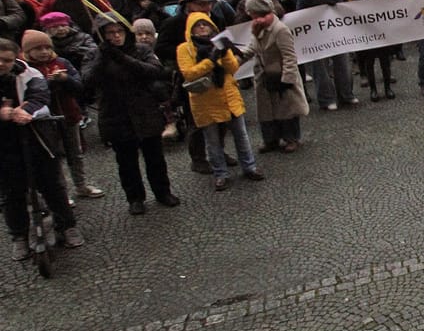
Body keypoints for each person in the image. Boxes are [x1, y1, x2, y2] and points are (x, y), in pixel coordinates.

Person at [84, 13, 179, 214]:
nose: (116, 36)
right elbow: (88, 81)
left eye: (119, 31)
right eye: (110, 33)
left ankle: (163, 192)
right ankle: (135, 198)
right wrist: (103, 58)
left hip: (145, 111)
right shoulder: (95, 54)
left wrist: (122, 58)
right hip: (116, 114)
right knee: (126, 162)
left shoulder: (141, 50)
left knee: (155, 158)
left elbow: (155, 71)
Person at [1, 37, 83, 259]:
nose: (3, 64)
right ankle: (19, 236)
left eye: (7, 60)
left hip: (37, 139)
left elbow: (40, 95)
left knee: (52, 186)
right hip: (6, 145)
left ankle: (67, 226)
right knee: (12, 193)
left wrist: (26, 110)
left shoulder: (29, 73)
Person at [176, 12, 265, 191]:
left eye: (205, 24)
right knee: (213, 141)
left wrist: (223, 53)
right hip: (205, 101)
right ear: (190, 29)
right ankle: (220, 174)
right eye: (197, 25)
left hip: (228, 97)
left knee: (241, 135)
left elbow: (232, 67)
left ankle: (249, 167)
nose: (202, 28)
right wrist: (211, 60)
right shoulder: (184, 49)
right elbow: (189, 73)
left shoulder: (219, 42)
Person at [20, 29, 103, 200]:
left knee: (76, 153)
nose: (43, 52)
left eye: (46, 47)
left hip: (69, 114)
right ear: (28, 51)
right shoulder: (25, 69)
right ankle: (61, 192)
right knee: (54, 157)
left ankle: (81, 185)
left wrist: (66, 79)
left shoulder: (62, 62)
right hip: (43, 120)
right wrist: (48, 83)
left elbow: (80, 87)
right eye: (38, 49)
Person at [240, 0, 308, 154]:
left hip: (280, 74)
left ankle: (292, 138)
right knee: (267, 110)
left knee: (287, 109)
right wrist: (234, 60)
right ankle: (271, 139)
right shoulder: (258, 27)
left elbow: (289, 55)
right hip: (264, 75)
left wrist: (288, 79)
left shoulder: (280, 29)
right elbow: (251, 48)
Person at [351, 0, 397, 100]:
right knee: (369, 63)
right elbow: (355, 9)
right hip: (368, 32)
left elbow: (392, 6)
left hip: (383, 30)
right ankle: (373, 89)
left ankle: (388, 87)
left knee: (385, 62)